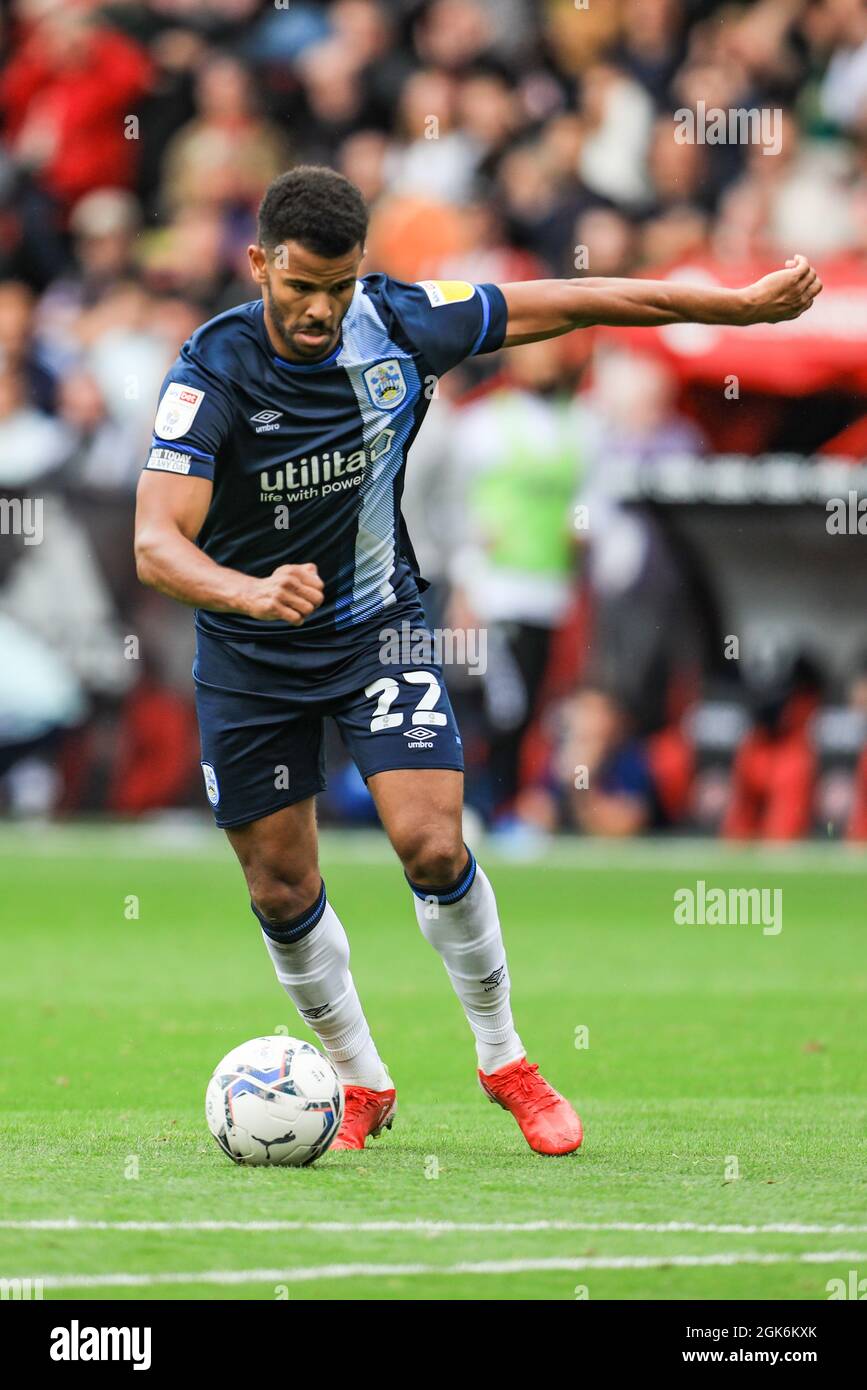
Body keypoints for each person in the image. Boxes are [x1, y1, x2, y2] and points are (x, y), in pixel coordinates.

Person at [133, 165, 821, 1155]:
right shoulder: (210, 371)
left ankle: (506, 1059)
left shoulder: (402, 321)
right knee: (280, 887)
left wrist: (728, 308)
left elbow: (576, 298)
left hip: (377, 628)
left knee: (433, 844)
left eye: (339, 284)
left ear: (361, 270)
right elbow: (157, 542)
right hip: (248, 649)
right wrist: (250, 591)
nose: (322, 309)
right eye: (300, 287)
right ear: (258, 265)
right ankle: (361, 1082)